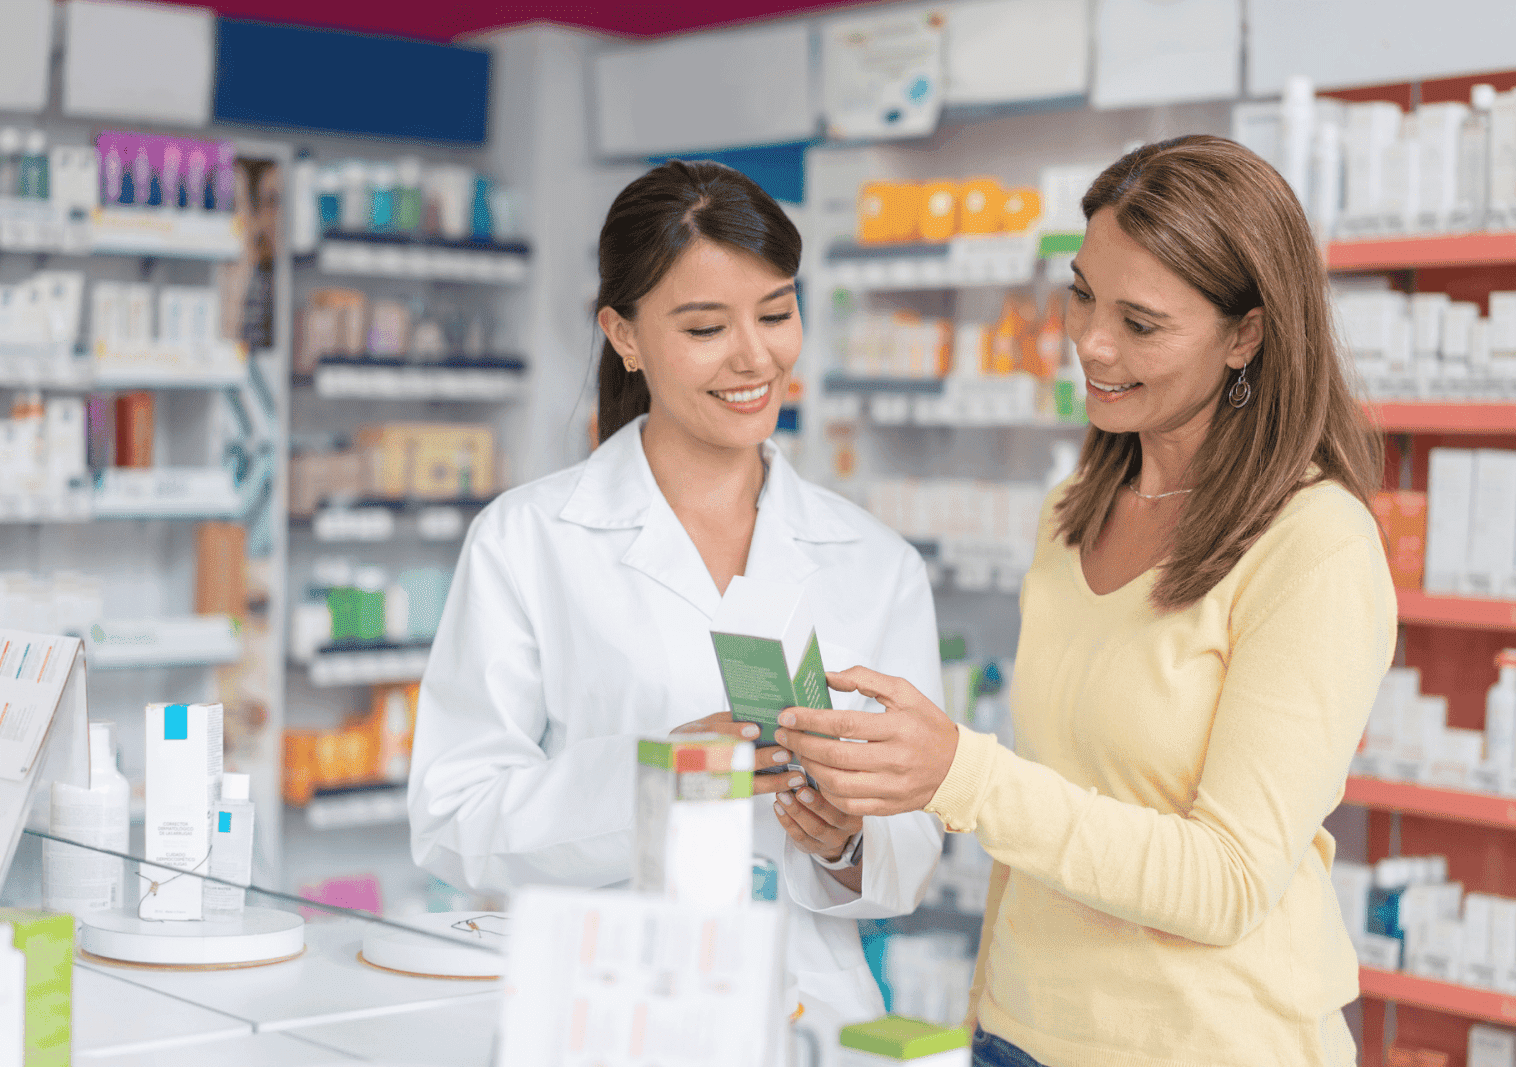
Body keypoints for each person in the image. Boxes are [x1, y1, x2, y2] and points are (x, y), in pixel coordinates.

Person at [774, 135, 1394, 1067]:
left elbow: (1226, 881)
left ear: (1246, 335)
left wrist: (961, 776)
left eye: (1141, 324)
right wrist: (869, 817)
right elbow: (1069, 802)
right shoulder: (1074, 513)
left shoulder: (1316, 548)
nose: (1092, 343)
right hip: (1018, 1032)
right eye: (1082, 294)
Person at [407, 160, 944, 1019]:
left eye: (776, 312)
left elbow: (912, 848)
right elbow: (453, 820)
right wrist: (659, 777)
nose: (755, 355)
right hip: (611, 1004)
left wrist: (847, 840)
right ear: (623, 334)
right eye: (705, 328)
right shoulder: (529, 538)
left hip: (810, 1012)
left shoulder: (875, 563)